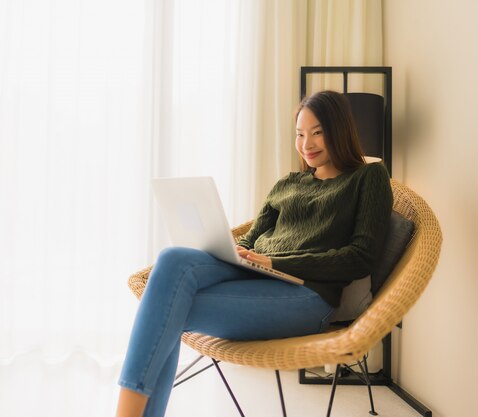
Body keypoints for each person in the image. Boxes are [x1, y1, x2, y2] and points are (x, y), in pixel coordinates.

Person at [115, 90, 393, 417]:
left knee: (166, 306)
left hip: (307, 296)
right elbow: (252, 237)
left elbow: (359, 257)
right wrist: (237, 251)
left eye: (317, 132)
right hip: (256, 273)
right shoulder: (288, 183)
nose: (307, 144)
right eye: (299, 134)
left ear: (340, 130)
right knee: (172, 258)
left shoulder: (369, 177)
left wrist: (275, 262)